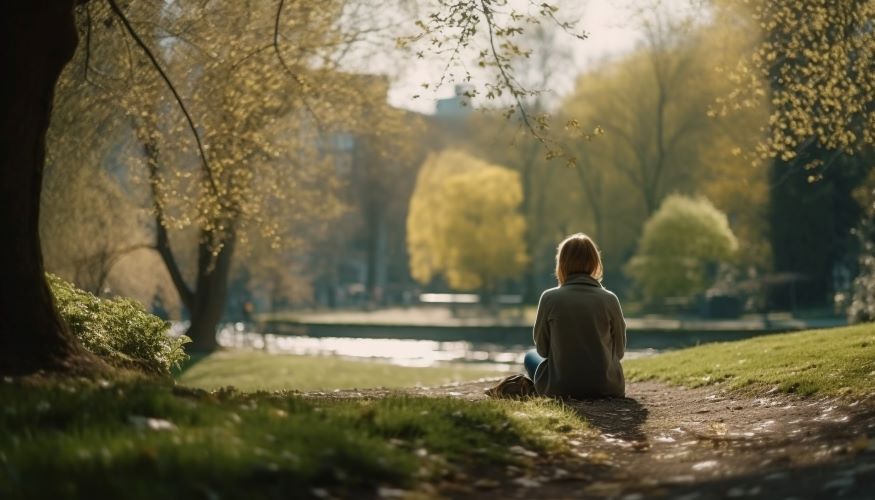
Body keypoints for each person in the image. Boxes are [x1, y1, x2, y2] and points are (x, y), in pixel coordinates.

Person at [524, 233, 627, 398]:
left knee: (530, 356)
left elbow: (542, 351)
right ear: (595, 263)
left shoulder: (549, 298)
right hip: (607, 387)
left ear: (561, 264)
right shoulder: (610, 299)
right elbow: (620, 352)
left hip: (561, 388)